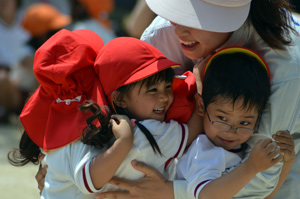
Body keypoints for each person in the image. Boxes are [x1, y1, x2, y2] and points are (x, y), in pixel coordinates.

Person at [93, 0, 300, 199]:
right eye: (177, 12)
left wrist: (171, 192)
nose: (178, 30)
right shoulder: (162, 34)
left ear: (227, 17)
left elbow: (260, 183)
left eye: (193, 18)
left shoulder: (285, 68)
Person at [8, 31, 202, 198]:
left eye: (168, 86)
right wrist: (124, 142)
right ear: (118, 99)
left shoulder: (62, 136)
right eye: (152, 90)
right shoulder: (145, 134)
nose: (165, 96)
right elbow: (89, 179)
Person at [176, 47, 295, 199]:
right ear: (201, 106)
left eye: (245, 122)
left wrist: (287, 161)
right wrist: (250, 167)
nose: (231, 131)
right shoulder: (203, 151)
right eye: (222, 118)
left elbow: (263, 196)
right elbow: (206, 195)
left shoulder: (238, 149)